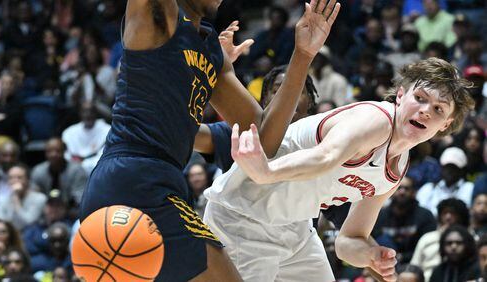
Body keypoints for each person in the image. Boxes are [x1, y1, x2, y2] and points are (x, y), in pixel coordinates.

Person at [79, 0, 341, 281]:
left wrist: (302, 54)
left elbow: (264, 140)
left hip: (162, 184)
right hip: (131, 175)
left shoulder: (211, 50)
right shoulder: (158, 18)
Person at [204, 57, 474, 281]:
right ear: (400, 96)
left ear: (446, 125)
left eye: (438, 109)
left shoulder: (396, 168)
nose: (426, 110)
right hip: (243, 217)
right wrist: (266, 172)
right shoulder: (376, 120)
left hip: (295, 229)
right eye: (420, 97)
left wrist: (370, 255)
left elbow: (349, 241)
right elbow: (326, 157)